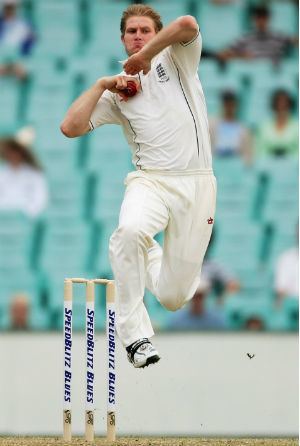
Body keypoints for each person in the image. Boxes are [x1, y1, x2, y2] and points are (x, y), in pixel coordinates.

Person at [61, 4, 216, 368]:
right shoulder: (118, 89)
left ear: (156, 34)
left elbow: (187, 24)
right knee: (128, 231)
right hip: (151, 182)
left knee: (175, 296)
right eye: (131, 32)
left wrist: (146, 56)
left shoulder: (178, 58)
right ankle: (136, 339)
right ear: (122, 38)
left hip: (197, 185)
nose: (138, 36)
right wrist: (102, 84)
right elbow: (70, 127)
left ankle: (149, 254)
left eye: (145, 30)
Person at [218, 5, 297, 64]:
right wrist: (241, 56)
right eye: (258, 18)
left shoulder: (279, 36)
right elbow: (223, 54)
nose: (261, 22)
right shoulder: (245, 37)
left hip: (275, 77)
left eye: (264, 18)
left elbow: (295, 41)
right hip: (252, 77)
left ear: (269, 19)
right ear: (253, 19)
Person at [0, 136, 48, 217]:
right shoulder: (2, 173)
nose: (13, 154)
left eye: (16, 150)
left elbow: (40, 199)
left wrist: (27, 214)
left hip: (26, 220)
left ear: (22, 152)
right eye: (10, 151)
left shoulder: (35, 174)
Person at [209, 90, 253, 165]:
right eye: (227, 103)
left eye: (231, 103)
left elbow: (248, 154)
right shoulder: (212, 125)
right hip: (217, 163)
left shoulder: (243, 129)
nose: (229, 106)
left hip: (236, 163)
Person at [256, 89, 298, 158]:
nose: (281, 107)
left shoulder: (297, 127)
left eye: (285, 104)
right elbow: (259, 151)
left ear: (290, 106)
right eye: (278, 104)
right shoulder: (263, 127)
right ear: (274, 106)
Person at [0, 0, 35, 79]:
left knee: (23, 70)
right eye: (7, 8)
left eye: (12, 8)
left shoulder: (23, 24)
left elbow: (29, 43)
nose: (9, 11)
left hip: (17, 57)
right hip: (3, 57)